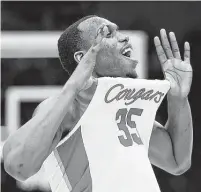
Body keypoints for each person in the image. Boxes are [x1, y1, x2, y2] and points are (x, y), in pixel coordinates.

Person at [3, 15, 193, 192]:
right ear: (82, 58)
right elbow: (18, 166)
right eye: (107, 33)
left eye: (118, 31)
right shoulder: (69, 106)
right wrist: (73, 86)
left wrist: (178, 98)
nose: (124, 38)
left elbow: (177, 161)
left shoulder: (128, 110)